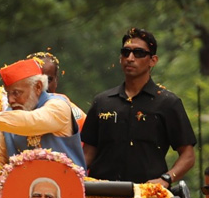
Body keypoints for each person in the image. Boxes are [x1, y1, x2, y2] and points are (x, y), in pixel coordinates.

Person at [0, 58, 85, 194]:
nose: (11, 100)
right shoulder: (9, 115)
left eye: (16, 93)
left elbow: (31, 122)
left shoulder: (58, 106)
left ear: (37, 87)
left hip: (68, 196)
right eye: (8, 93)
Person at [82, 28, 196, 186]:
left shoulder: (168, 102)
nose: (130, 58)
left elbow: (188, 155)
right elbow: (87, 153)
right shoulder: (102, 102)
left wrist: (166, 179)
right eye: (125, 52)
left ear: (153, 60)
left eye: (139, 53)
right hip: (100, 197)